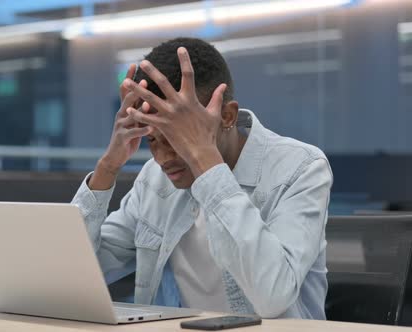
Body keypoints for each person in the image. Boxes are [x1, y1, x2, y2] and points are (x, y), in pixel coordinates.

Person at [71, 37, 333, 319]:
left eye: (178, 137)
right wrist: (108, 167)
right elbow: (74, 276)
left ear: (228, 116)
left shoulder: (301, 168)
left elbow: (272, 297)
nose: (162, 158)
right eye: (153, 140)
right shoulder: (154, 181)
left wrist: (206, 163)